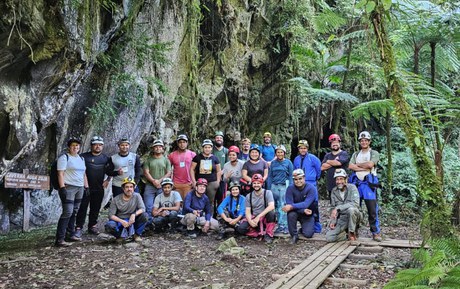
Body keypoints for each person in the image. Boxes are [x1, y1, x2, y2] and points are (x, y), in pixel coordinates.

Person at [75, 136, 111, 238]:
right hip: (84, 187)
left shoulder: (106, 158)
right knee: (82, 207)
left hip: (99, 187)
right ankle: (78, 227)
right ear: (91, 146)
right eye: (95, 144)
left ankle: (92, 226)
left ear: (102, 146)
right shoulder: (83, 157)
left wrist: (107, 180)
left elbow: (112, 170)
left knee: (96, 208)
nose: (97, 146)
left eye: (100, 145)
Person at [348, 131, 382, 241]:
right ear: (359, 142)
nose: (364, 142)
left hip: (369, 184)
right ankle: (354, 230)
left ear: (369, 141)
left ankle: (375, 232)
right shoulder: (355, 154)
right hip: (357, 183)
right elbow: (350, 166)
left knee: (372, 209)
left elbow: (370, 164)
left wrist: (357, 166)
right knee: (355, 208)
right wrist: (363, 167)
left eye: (366, 140)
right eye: (362, 141)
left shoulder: (374, 153)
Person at [55, 137, 88, 247]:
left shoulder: (81, 159)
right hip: (69, 187)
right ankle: (60, 239)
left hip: (80, 187)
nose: (75, 147)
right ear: (69, 147)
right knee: (68, 212)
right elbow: (60, 173)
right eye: (73, 145)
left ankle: (71, 234)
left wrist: (86, 187)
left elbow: (83, 174)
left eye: (77, 146)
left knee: (74, 211)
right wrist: (62, 187)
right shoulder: (64, 158)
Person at [105, 177, 148, 242]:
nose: (129, 189)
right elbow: (111, 215)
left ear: (134, 188)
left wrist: (134, 214)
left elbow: (142, 208)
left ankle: (136, 234)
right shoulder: (116, 199)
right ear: (123, 188)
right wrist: (121, 221)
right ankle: (120, 236)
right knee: (109, 225)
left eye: (131, 187)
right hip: (120, 221)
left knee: (145, 216)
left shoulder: (137, 196)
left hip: (132, 220)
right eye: (127, 187)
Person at [236, 174, 276, 244]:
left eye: (258, 183)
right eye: (254, 183)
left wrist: (259, 216)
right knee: (241, 229)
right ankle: (258, 232)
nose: (256, 185)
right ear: (252, 184)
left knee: (271, 213)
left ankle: (268, 234)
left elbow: (271, 206)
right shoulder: (249, 196)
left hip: (264, 218)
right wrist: (250, 221)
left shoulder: (267, 193)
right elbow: (247, 211)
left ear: (262, 183)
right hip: (254, 218)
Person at [293, 139, 322, 233]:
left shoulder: (312, 158)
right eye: (301, 148)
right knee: (303, 204)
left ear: (307, 149)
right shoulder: (296, 159)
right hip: (299, 184)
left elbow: (319, 169)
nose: (303, 150)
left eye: (304, 148)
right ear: (298, 149)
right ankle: (306, 225)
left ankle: (317, 227)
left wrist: (313, 178)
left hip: (311, 183)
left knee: (314, 204)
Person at [282, 169, 318, 244]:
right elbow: (289, 204)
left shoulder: (311, 188)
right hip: (296, 212)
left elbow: (306, 204)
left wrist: (292, 207)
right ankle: (294, 235)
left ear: (304, 178)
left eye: (300, 179)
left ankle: (302, 230)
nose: (298, 181)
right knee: (291, 214)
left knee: (308, 234)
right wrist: (301, 210)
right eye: (296, 179)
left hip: (308, 213)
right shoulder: (290, 189)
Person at [326, 169, 362, 242]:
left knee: (351, 210)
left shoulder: (352, 188)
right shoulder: (334, 191)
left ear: (346, 179)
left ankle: (352, 232)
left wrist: (338, 208)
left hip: (355, 215)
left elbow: (355, 203)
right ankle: (345, 235)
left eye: (341, 179)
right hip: (343, 218)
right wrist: (333, 221)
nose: (339, 182)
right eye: (337, 179)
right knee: (329, 237)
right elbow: (333, 208)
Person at [142, 140, 172, 218]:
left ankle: (160, 221)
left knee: (162, 204)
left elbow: (169, 173)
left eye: (160, 147)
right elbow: (146, 172)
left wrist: (159, 181)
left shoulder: (166, 160)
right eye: (156, 147)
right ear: (153, 148)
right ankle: (149, 221)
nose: (158, 148)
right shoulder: (148, 160)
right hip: (150, 185)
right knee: (148, 204)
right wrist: (153, 181)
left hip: (162, 186)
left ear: (163, 148)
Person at [190, 139, 221, 212]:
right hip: (199, 181)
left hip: (212, 182)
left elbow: (218, 171)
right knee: (198, 198)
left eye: (209, 147)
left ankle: (209, 217)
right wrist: (194, 181)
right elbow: (192, 169)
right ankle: (198, 215)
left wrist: (218, 182)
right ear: (203, 148)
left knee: (210, 200)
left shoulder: (215, 158)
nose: (207, 149)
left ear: (211, 148)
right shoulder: (197, 157)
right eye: (205, 147)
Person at [269, 145, 293, 234]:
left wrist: (290, 187)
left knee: (282, 205)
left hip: (284, 186)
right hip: (274, 186)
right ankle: (279, 225)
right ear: (276, 153)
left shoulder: (288, 162)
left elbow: (291, 175)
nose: (279, 154)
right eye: (278, 152)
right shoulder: (273, 163)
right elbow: (270, 176)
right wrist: (269, 188)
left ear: (284, 153)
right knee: (275, 207)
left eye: (281, 152)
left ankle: (285, 226)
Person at [321, 134, 350, 198]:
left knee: (344, 203)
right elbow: (322, 167)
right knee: (333, 204)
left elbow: (338, 163)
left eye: (336, 142)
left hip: (342, 184)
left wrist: (328, 161)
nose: (335, 144)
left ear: (339, 143)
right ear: (330, 144)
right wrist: (334, 161)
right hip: (331, 184)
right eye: (333, 143)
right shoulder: (327, 155)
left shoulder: (344, 154)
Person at [168, 134, 196, 200]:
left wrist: (194, 181)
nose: (182, 144)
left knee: (187, 203)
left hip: (188, 184)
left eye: (184, 142)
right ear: (177, 143)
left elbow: (196, 169)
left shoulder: (192, 154)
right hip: (176, 184)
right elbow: (168, 170)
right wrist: (170, 182)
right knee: (177, 203)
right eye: (180, 142)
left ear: (187, 143)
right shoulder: (172, 155)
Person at [212, 131, 228, 209]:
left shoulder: (226, 151)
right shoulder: (211, 150)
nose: (219, 139)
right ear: (215, 139)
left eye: (220, 138)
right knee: (212, 195)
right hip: (212, 176)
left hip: (222, 176)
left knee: (221, 196)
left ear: (223, 139)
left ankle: (220, 212)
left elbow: (228, 164)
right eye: (217, 138)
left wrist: (221, 172)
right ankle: (213, 213)